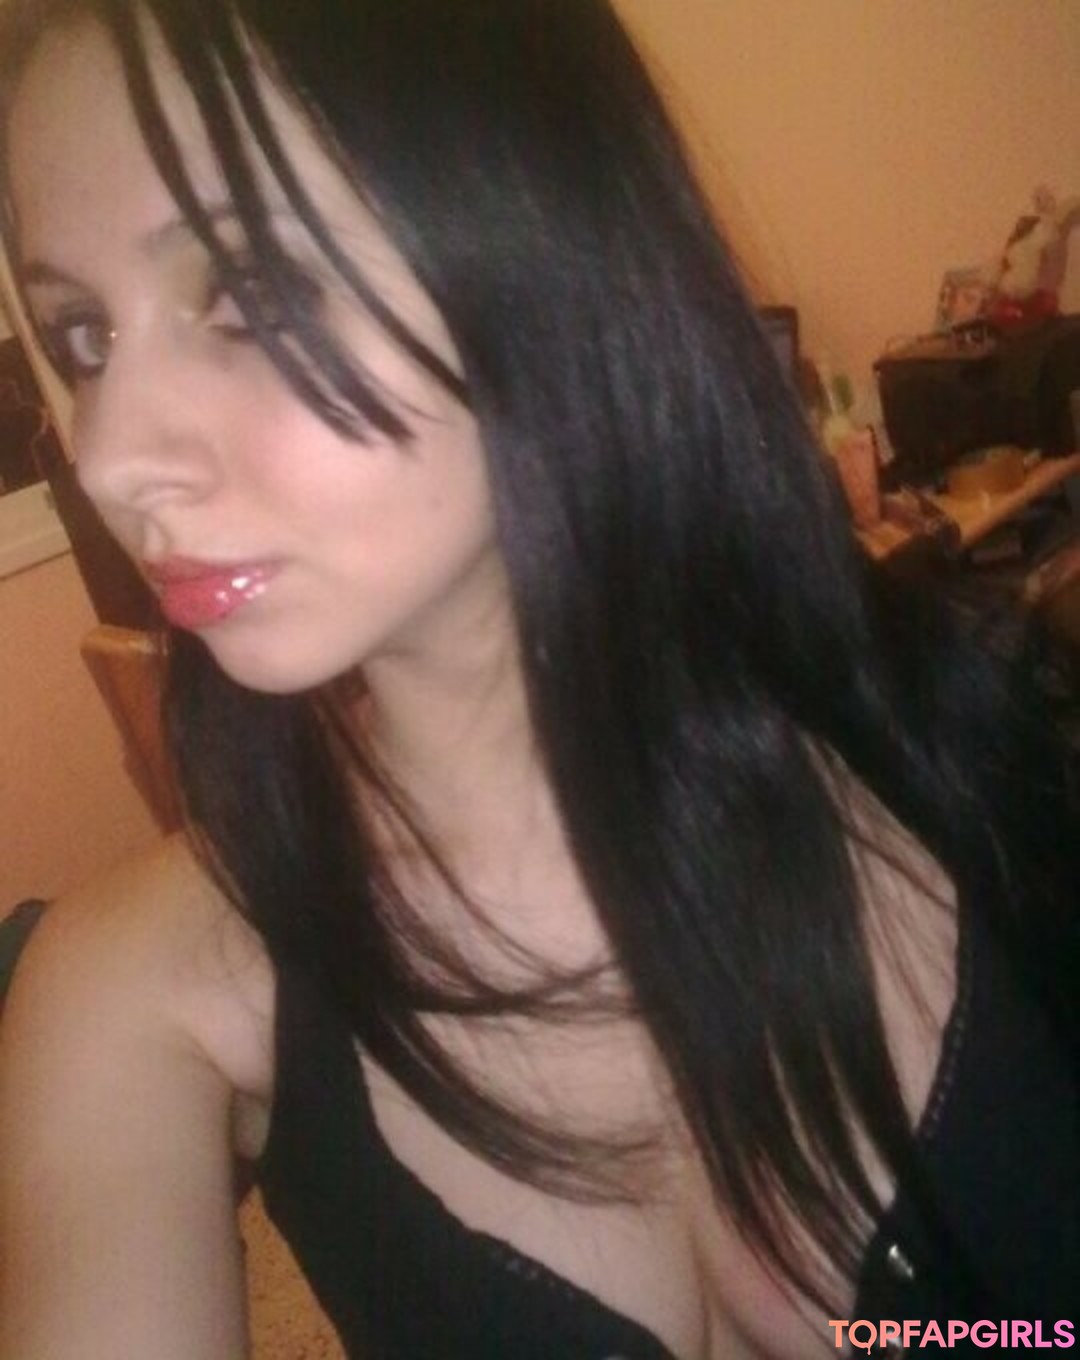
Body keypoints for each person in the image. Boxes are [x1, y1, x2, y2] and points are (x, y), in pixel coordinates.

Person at [0, 3, 1076, 1357]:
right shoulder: (132, 999)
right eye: (84, 337)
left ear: (545, 243)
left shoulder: (984, 742)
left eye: (250, 295)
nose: (108, 457)